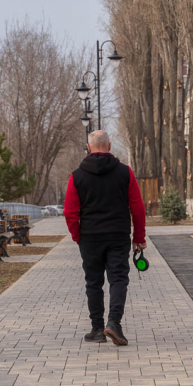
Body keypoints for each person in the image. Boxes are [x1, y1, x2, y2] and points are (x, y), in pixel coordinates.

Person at [63, 130, 146, 346]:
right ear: (109, 146)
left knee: (94, 282)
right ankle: (114, 323)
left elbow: (70, 212)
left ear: (88, 148)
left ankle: (97, 329)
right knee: (118, 278)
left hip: (89, 236)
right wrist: (138, 236)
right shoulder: (125, 173)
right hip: (118, 235)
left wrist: (77, 235)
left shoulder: (77, 175)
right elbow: (137, 207)